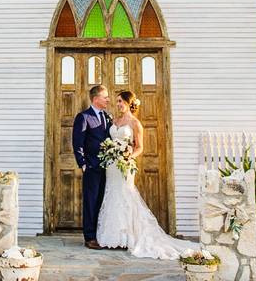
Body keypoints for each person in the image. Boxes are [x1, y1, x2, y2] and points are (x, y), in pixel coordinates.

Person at [95, 90, 190, 259]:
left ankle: (128, 236)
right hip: (111, 166)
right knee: (112, 195)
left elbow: (139, 147)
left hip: (124, 165)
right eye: (116, 101)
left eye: (121, 101)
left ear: (128, 103)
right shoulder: (114, 120)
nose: (118, 104)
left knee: (125, 196)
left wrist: (127, 155)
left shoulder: (135, 123)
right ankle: (113, 236)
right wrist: (110, 150)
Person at [71, 84, 111, 250]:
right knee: (91, 202)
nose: (108, 99)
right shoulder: (84, 117)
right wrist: (83, 164)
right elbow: (77, 142)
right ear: (96, 99)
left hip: (108, 168)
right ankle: (90, 237)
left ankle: (102, 234)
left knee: (103, 201)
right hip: (92, 167)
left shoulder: (107, 117)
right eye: (105, 97)